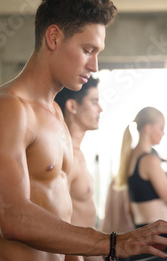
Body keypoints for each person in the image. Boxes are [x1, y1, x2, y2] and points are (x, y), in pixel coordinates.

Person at [0, 0, 167, 261]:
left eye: (97, 53)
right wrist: (113, 243)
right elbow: (13, 218)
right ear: (54, 38)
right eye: (87, 50)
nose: (94, 66)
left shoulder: (55, 115)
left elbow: (61, 216)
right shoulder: (6, 108)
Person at [54, 77, 103, 261]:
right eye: (94, 102)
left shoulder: (78, 153)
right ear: (72, 106)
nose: (100, 109)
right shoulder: (65, 157)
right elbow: (60, 223)